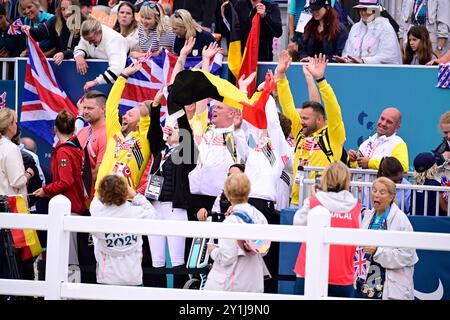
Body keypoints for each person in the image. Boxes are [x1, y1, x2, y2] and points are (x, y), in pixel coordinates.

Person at [275, 50, 346, 208]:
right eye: (301, 118)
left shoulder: (332, 135)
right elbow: (287, 106)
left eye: (306, 119)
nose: (301, 122)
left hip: (321, 204)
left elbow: (334, 109)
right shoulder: (300, 133)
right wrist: (281, 76)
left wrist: (320, 80)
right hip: (295, 203)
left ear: (320, 119)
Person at [142, 86, 197, 289]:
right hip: (155, 207)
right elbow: (153, 135)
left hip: (176, 210)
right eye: (169, 128)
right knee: (157, 261)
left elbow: (188, 136)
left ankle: (180, 297)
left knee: (176, 260)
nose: (169, 130)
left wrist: (179, 115)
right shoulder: (160, 150)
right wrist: (156, 106)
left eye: (174, 129)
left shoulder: (187, 154)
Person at [293, 161, 360, 297]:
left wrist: (314, 197)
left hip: (309, 273)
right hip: (343, 276)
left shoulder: (313, 202)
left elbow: (297, 225)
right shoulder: (356, 208)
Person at [33, 110, 86, 269]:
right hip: (73, 204)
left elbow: (65, 181)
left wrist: (45, 190)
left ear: (55, 128)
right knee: (67, 255)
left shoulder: (64, 151)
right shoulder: (73, 146)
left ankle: (71, 291)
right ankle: (70, 290)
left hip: (69, 207)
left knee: (69, 258)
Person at [204, 172, 269, 293]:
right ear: (248, 191)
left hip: (233, 283)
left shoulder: (230, 221)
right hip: (254, 282)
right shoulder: (260, 216)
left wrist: (213, 251)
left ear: (228, 194)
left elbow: (227, 258)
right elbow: (263, 250)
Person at [90, 174, 158, 286]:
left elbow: (95, 199)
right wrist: (135, 195)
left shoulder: (97, 212)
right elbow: (153, 214)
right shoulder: (136, 213)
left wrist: (107, 187)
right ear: (125, 192)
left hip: (107, 278)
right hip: (133, 277)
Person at [357, 177, 418, 299]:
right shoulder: (368, 216)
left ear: (391, 197)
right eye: (374, 190)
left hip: (391, 282)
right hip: (366, 281)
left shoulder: (401, 220)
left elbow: (407, 255)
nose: (376, 195)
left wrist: (378, 251)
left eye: (382, 192)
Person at [94, 62, 151, 194]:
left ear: (139, 123)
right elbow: (111, 106)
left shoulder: (143, 140)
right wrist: (123, 76)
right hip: (100, 197)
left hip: (125, 199)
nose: (124, 116)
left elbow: (146, 120)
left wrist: (146, 110)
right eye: (126, 114)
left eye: (130, 115)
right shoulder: (114, 133)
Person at [21, 0, 88, 65]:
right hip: (61, 65)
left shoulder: (84, 22)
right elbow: (40, 32)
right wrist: (30, 30)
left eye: (68, 8)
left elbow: (85, 49)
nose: (66, 12)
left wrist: (64, 54)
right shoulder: (56, 20)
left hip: (82, 65)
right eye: (63, 9)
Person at [334, 0, 402, 64]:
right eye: (361, 9)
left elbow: (389, 57)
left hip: (378, 74)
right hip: (355, 74)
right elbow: (347, 51)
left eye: (367, 9)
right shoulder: (355, 27)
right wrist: (346, 60)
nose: (363, 12)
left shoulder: (385, 27)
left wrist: (364, 61)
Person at [74, 18, 129, 92]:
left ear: (99, 32)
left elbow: (117, 70)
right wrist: (79, 56)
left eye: (92, 40)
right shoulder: (88, 35)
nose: (89, 43)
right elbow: (81, 46)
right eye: (87, 41)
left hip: (123, 83)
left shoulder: (114, 41)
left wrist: (96, 82)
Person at [348, 107, 408, 173]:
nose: (383, 123)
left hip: (382, 183)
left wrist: (370, 163)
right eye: (382, 119)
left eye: (389, 122)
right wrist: (352, 160)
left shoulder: (398, 143)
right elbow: (359, 167)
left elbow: (402, 167)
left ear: (397, 127)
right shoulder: (367, 142)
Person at [75, 90, 107, 200]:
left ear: (103, 109)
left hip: (98, 199)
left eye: (90, 108)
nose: (85, 112)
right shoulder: (81, 132)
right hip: (79, 198)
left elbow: (101, 170)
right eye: (84, 108)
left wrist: (78, 187)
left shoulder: (107, 133)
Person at [0, 108, 34, 197]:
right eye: (15, 122)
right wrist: (28, 174)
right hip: (10, 206)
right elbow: (17, 181)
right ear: (9, 126)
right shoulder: (10, 148)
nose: (16, 125)